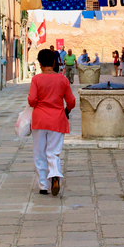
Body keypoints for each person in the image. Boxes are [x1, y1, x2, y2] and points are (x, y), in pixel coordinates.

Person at [28, 49, 75, 197]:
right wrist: (67, 109)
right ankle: (55, 174)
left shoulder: (36, 79)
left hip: (40, 119)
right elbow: (71, 101)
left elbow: (31, 100)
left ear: (40, 63)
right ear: (54, 63)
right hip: (58, 119)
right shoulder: (63, 79)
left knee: (39, 153)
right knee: (53, 152)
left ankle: (43, 185)